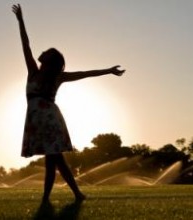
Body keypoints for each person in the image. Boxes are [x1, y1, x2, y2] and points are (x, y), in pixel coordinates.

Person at [12, 4, 125, 203]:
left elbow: (84, 74)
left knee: (55, 160)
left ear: (48, 62)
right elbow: (26, 45)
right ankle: (62, 196)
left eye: (44, 57)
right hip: (44, 120)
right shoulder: (37, 73)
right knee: (53, 160)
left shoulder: (49, 75)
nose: (40, 58)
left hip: (47, 121)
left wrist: (108, 70)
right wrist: (21, 21)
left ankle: (69, 195)